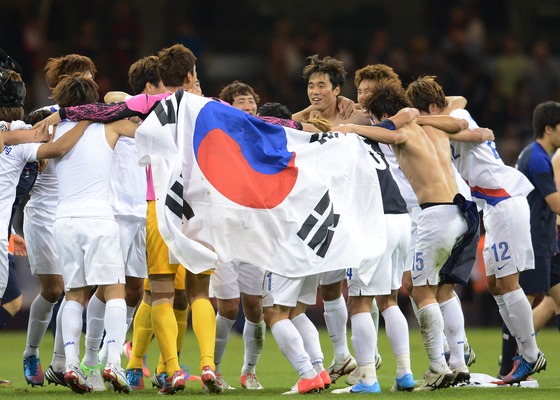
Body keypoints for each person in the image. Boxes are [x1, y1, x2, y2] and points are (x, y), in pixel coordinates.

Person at [407, 76, 546, 385]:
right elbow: (457, 100)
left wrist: (476, 131)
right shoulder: (450, 112)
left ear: (430, 108)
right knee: (496, 284)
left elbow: (469, 129)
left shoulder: (453, 119)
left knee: (509, 283)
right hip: (491, 207)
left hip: (505, 200)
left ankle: (531, 354)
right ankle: (523, 353)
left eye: (420, 113)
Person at [356, 79, 478, 391]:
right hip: (463, 212)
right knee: (438, 290)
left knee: (421, 292)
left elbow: (384, 131)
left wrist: (348, 127)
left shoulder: (399, 130)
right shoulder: (436, 127)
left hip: (432, 215)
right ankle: (459, 360)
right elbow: (461, 113)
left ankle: (438, 367)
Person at [20, 54, 97, 388]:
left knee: (76, 290)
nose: (90, 81)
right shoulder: (40, 120)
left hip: (76, 210)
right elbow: (23, 172)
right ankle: (30, 352)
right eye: (83, 75)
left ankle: (60, 362)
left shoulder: (96, 119)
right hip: (42, 213)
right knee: (52, 290)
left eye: (91, 76)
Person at [511, 101, 560, 382]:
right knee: (525, 300)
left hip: (542, 238)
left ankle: (517, 360)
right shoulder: (540, 159)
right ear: (549, 128)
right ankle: (519, 362)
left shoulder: (533, 152)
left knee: (550, 300)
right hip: (535, 239)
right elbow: (556, 204)